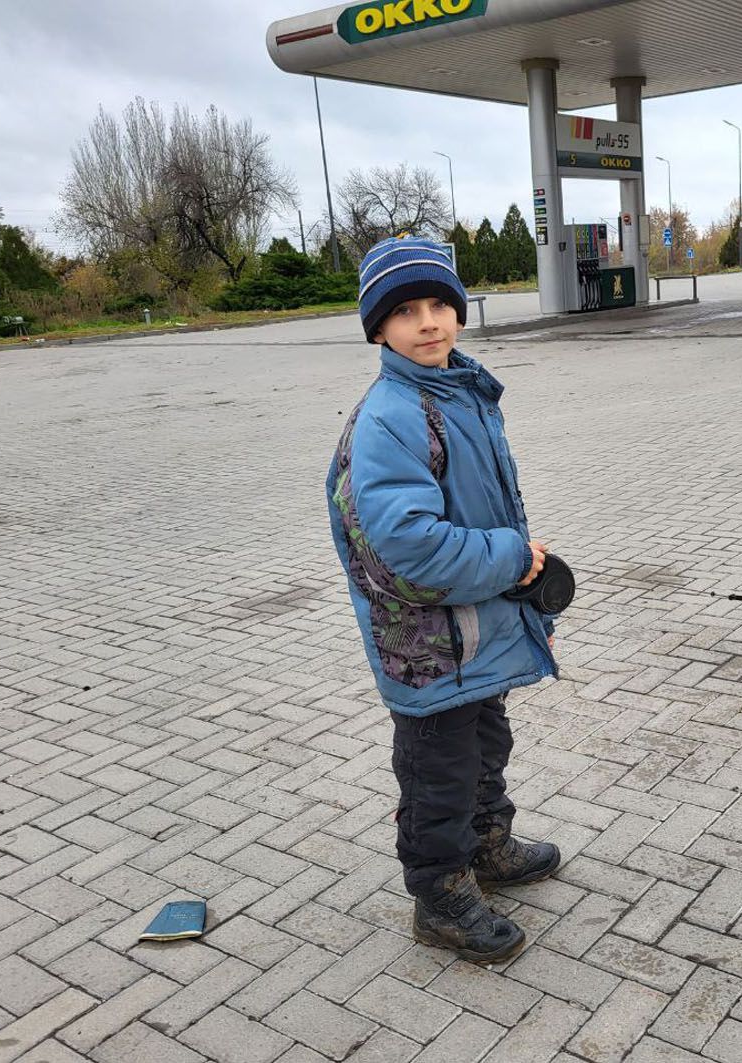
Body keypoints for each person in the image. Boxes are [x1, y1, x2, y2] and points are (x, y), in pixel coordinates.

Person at [325, 236, 560, 963]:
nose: (428, 322)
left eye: (439, 305)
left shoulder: (458, 390)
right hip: (428, 643)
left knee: (486, 742)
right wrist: (515, 560)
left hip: (473, 625)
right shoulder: (392, 414)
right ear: (378, 328)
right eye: (405, 311)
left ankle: (485, 842)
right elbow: (410, 545)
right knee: (437, 769)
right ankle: (440, 893)